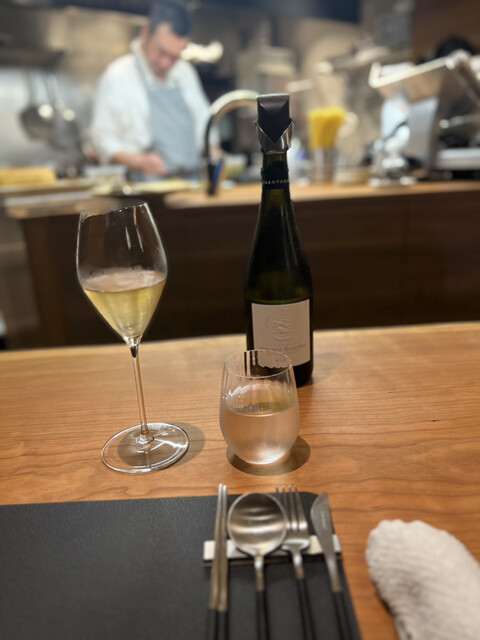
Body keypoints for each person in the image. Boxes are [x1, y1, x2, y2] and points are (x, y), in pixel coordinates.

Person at [90, 0, 216, 181]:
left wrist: (214, 153)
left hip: (192, 185)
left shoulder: (185, 72)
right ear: (146, 31)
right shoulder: (117, 77)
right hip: (142, 189)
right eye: (161, 52)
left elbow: (205, 128)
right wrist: (139, 162)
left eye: (174, 57)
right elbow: (103, 141)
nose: (166, 63)